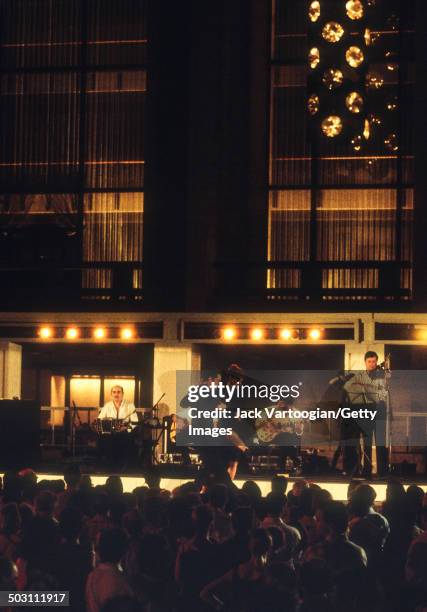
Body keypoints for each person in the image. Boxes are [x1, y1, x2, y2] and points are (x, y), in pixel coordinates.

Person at [344, 351, 391, 478]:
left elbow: (383, 394)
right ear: (365, 362)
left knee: (381, 442)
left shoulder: (382, 375)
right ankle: (367, 471)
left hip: (379, 410)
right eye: (369, 361)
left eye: (374, 361)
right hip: (366, 411)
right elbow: (348, 387)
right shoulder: (359, 376)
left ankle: (383, 472)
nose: (372, 364)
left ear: (376, 362)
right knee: (367, 442)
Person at [97, 386, 139, 470]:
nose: (116, 394)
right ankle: (109, 468)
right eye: (114, 392)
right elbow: (100, 419)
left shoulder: (130, 405)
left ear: (123, 394)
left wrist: (126, 428)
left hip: (125, 433)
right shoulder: (107, 406)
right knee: (103, 441)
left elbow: (135, 421)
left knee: (126, 440)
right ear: (111, 394)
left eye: (119, 392)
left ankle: (123, 468)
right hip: (110, 434)